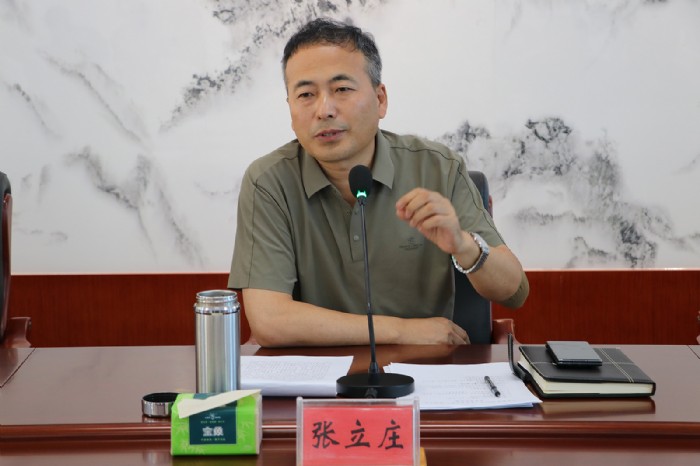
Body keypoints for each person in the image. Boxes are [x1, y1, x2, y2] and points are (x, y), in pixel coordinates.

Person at [228, 18, 529, 347]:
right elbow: (269, 321)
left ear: (380, 99)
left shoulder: (437, 168)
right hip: (318, 374)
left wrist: (464, 245)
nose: (324, 110)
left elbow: (514, 291)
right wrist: (402, 331)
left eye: (342, 89)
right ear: (290, 108)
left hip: (426, 370)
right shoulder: (268, 181)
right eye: (306, 94)